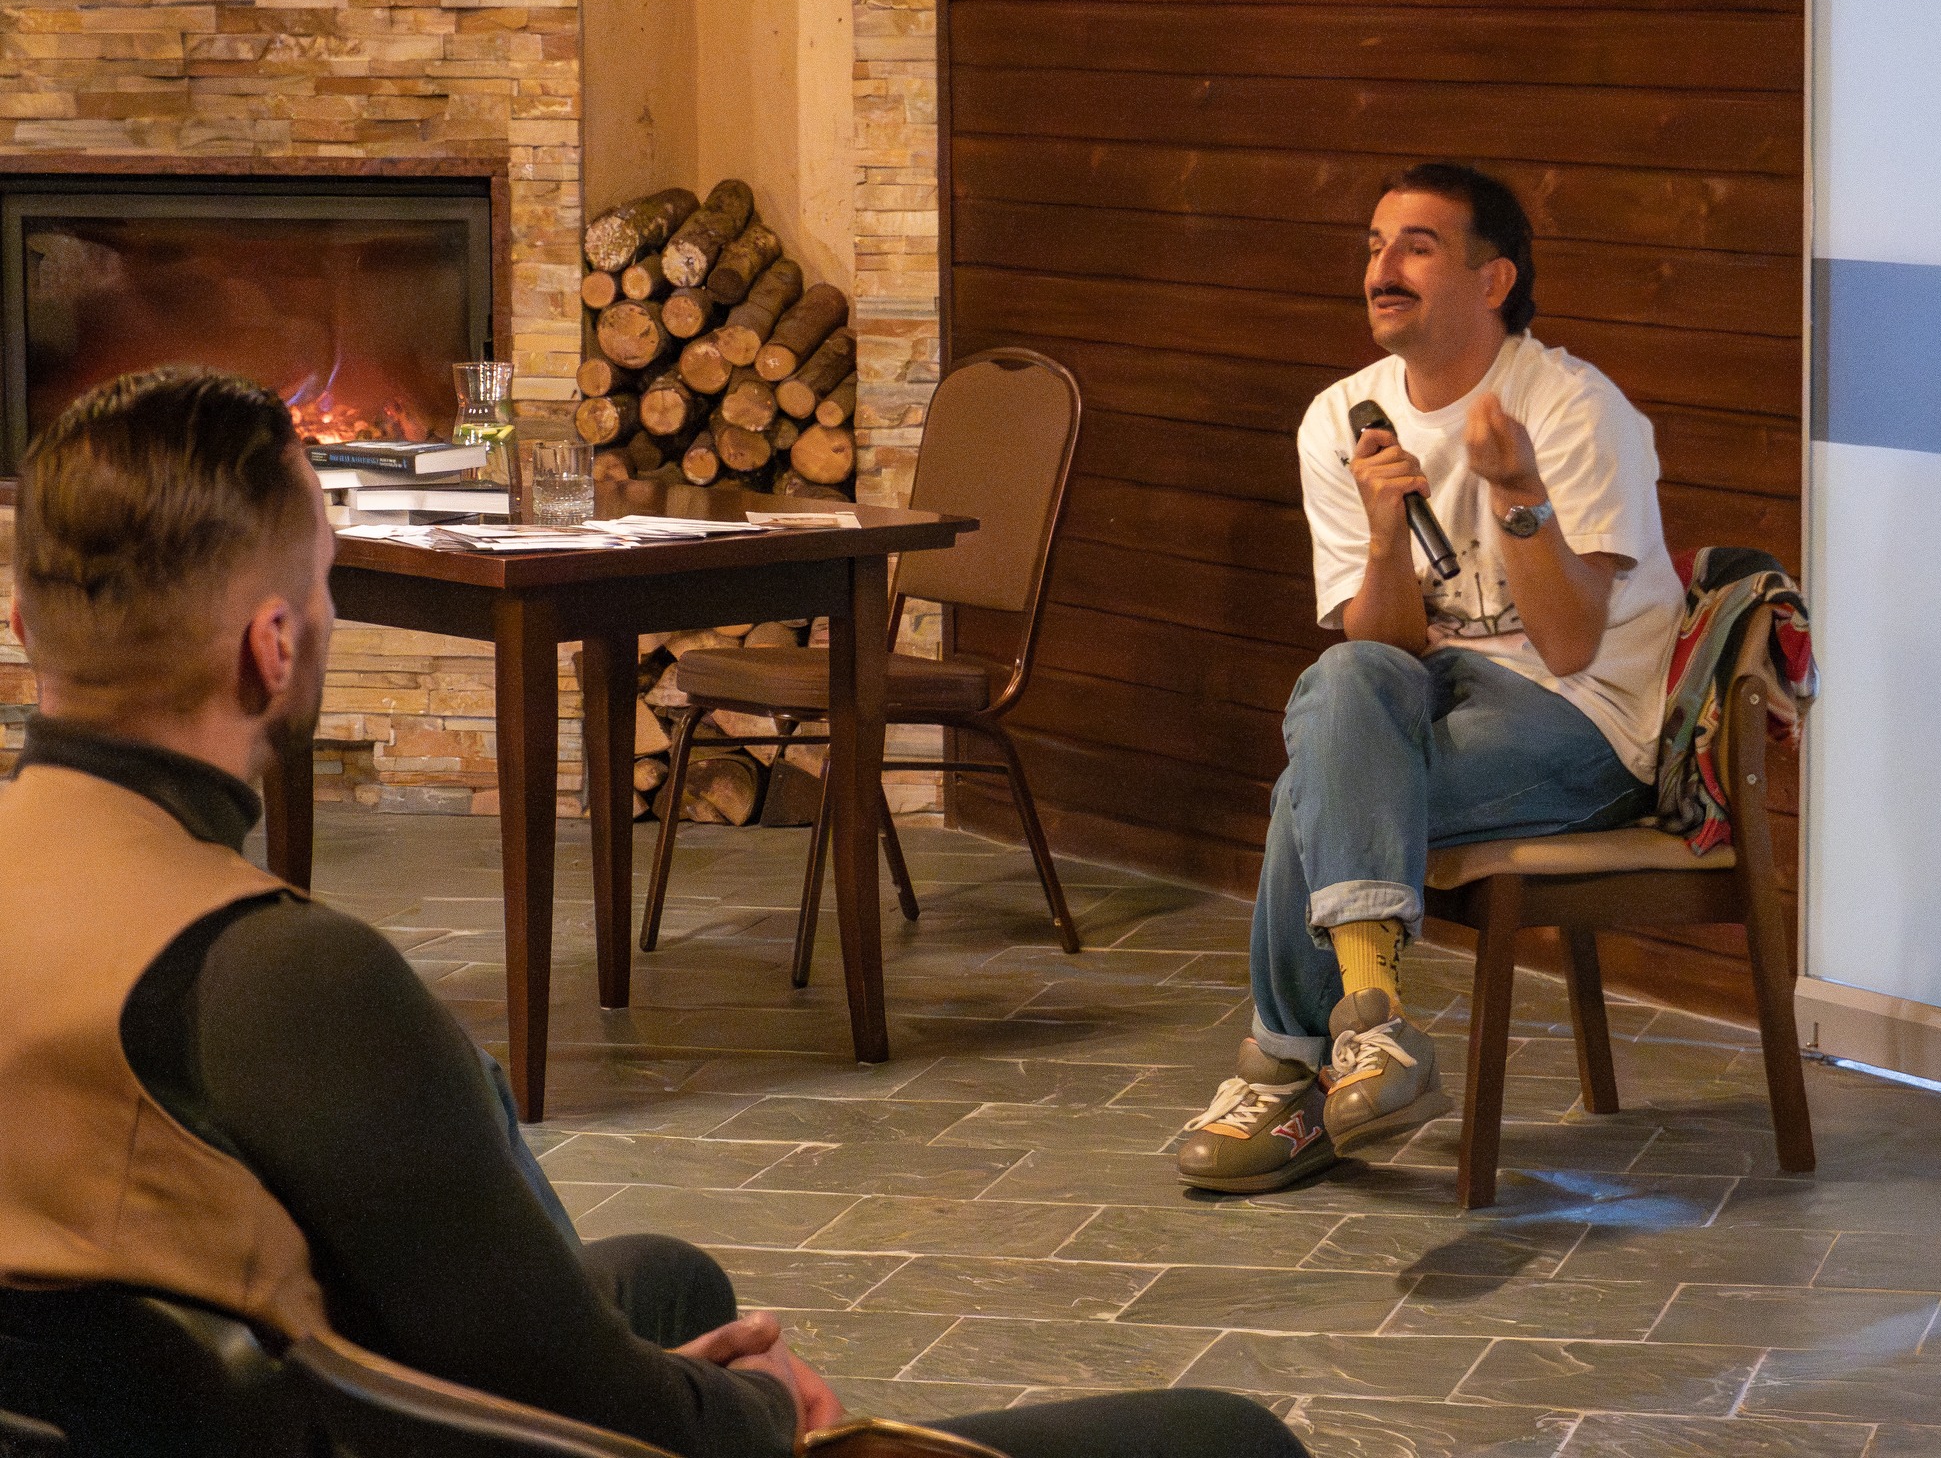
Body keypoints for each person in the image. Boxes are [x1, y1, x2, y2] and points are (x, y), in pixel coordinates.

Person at [0, 367, 1306, 1458]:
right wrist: (755, 1408)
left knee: (661, 1277)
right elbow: (598, 1419)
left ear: (22, 619)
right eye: (329, 586)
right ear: (273, 648)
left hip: (151, 1409)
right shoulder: (277, 980)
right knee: (1223, 1436)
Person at [1177, 165, 1684, 1194]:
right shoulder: (1341, 418)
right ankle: (1372, 1031)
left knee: (1310, 792)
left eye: (1416, 246)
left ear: (1492, 280)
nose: (1382, 269)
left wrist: (1518, 492)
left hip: (1579, 723)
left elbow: (1570, 645)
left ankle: (1288, 1068)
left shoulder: (1571, 407)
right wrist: (1381, 536)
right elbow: (1386, 648)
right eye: (1374, 246)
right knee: (1344, 673)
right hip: (1432, 694)